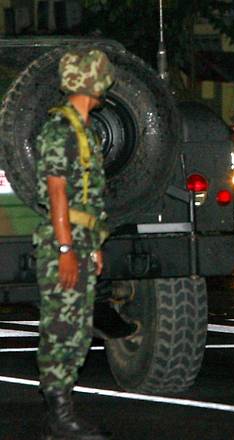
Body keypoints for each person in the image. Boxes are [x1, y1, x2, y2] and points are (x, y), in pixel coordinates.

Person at [34, 49, 114, 440]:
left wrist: (93, 244)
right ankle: (58, 415)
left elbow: (87, 195)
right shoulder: (60, 129)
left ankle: (63, 412)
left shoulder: (84, 130)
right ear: (90, 83)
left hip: (81, 240)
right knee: (62, 328)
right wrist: (66, 250)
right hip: (62, 245)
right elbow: (58, 194)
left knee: (79, 329)